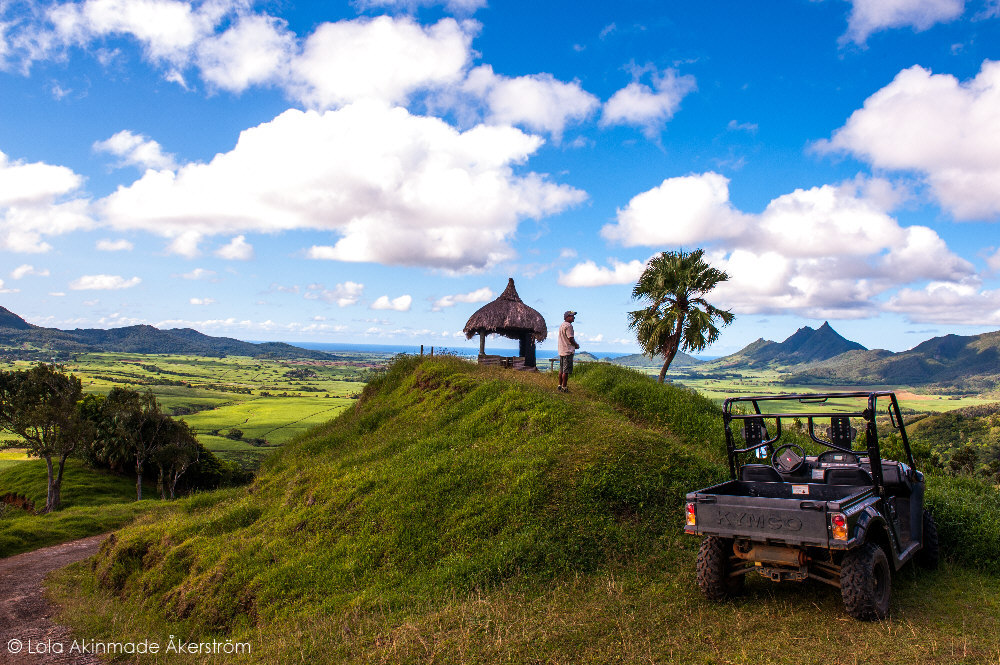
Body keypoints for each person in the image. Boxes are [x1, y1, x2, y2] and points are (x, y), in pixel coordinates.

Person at [557, 310, 580, 392]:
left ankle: (559, 385)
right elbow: (570, 338)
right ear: (567, 317)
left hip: (562, 350)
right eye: (572, 316)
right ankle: (564, 387)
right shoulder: (569, 326)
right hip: (567, 350)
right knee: (566, 371)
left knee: (561, 369)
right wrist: (576, 345)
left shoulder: (561, 325)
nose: (574, 317)